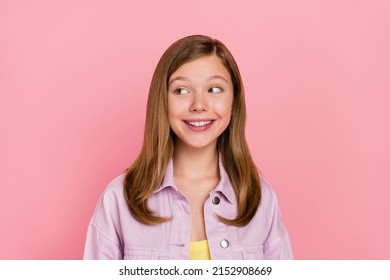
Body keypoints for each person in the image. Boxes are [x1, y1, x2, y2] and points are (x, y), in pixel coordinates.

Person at [83, 35, 293, 260]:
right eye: (182, 90)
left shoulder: (260, 197)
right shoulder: (118, 199)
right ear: (162, 100)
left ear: (234, 100)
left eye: (214, 89)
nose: (199, 105)